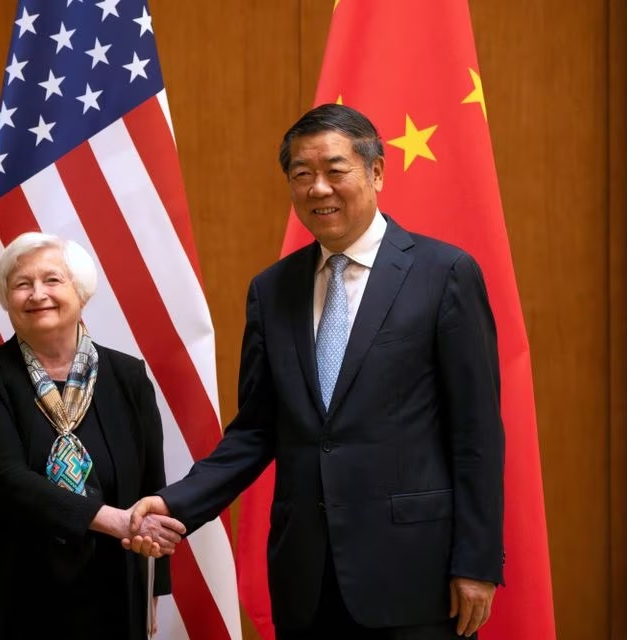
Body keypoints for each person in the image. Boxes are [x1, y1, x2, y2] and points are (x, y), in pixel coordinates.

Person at [126, 104, 505, 639]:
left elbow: (477, 434)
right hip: (305, 576)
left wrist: (477, 561)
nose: (318, 188)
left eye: (335, 170)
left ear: (375, 172)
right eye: (301, 175)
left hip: (414, 573)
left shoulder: (443, 274)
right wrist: (175, 503)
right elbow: (256, 431)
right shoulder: (272, 289)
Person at [0, 232, 185, 640]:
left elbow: (152, 485)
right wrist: (111, 520)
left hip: (110, 591)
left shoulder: (128, 376)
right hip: (3, 591)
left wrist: (153, 587)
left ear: (81, 293)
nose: (36, 294)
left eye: (52, 280)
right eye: (22, 284)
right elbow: (2, 479)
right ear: (7, 299)